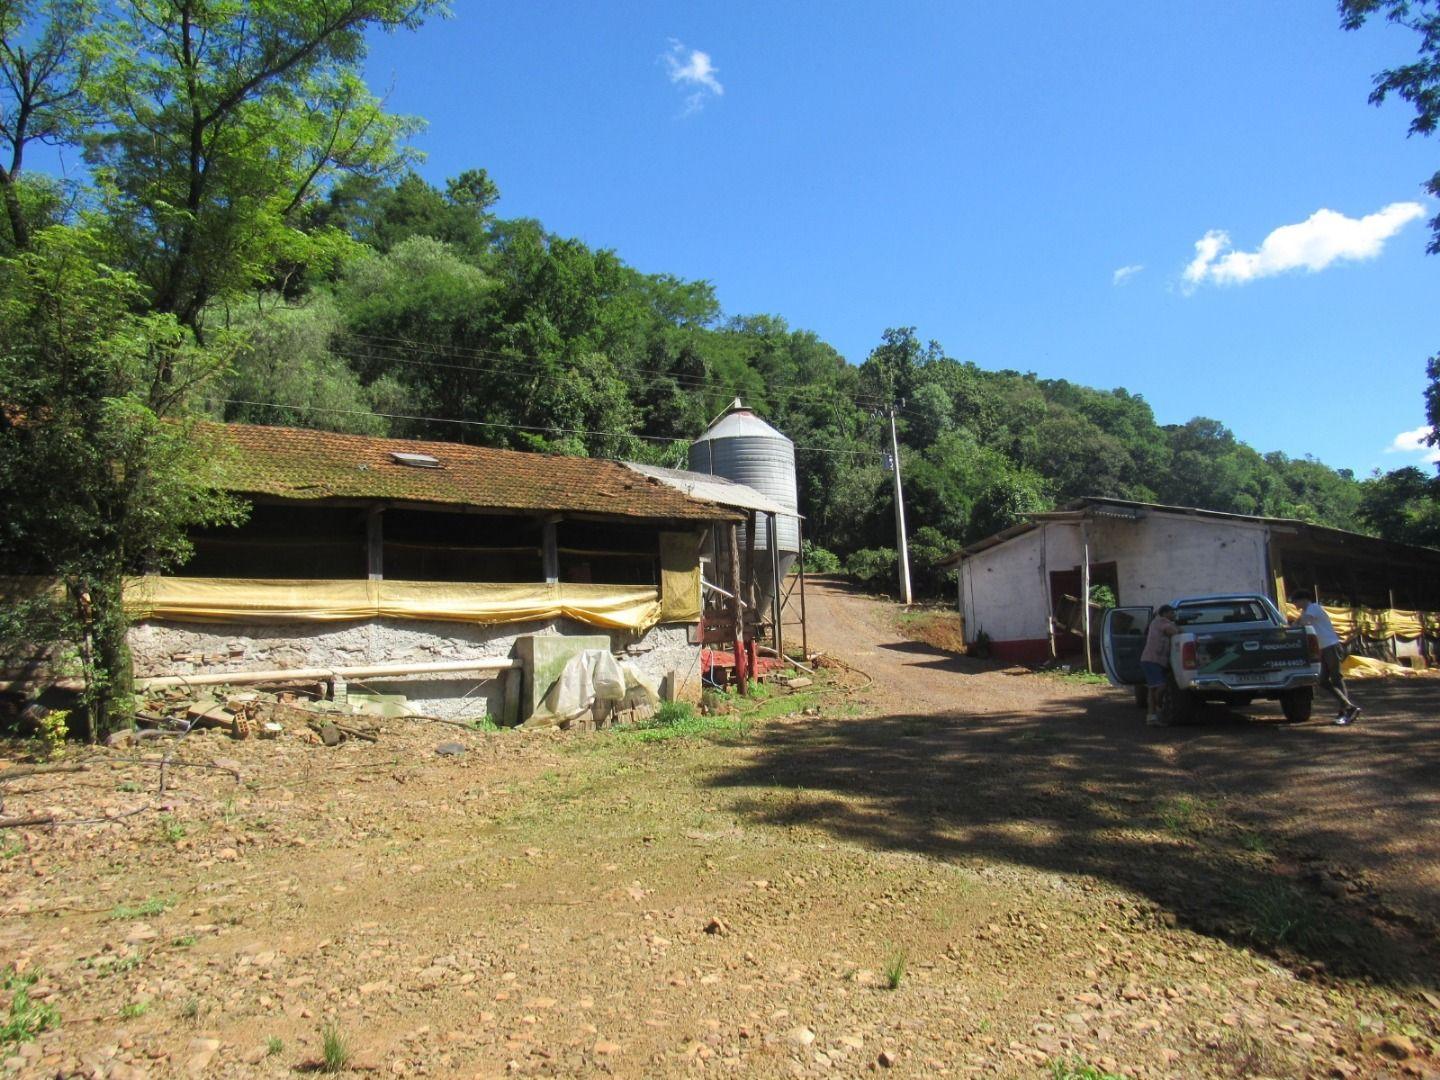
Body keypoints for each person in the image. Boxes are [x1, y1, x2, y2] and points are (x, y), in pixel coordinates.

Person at [1288, 589, 1360, 724]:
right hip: (1324, 648)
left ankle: (1345, 711)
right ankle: (1348, 707)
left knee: (1336, 679)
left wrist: (1294, 624)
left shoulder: (1313, 608)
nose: (1295, 605)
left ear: (1304, 599)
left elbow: (1304, 622)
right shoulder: (1306, 611)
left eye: (1296, 602)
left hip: (1331, 646)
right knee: (1322, 681)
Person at [1140, 604, 1179, 727]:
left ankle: (1151, 718)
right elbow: (1173, 631)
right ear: (1165, 613)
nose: (1174, 615)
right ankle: (1159, 707)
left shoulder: (1155, 622)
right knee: (1161, 686)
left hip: (1151, 659)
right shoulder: (1161, 622)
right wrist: (1183, 630)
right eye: (1172, 613)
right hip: (1153, 660)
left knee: (1152, 689)